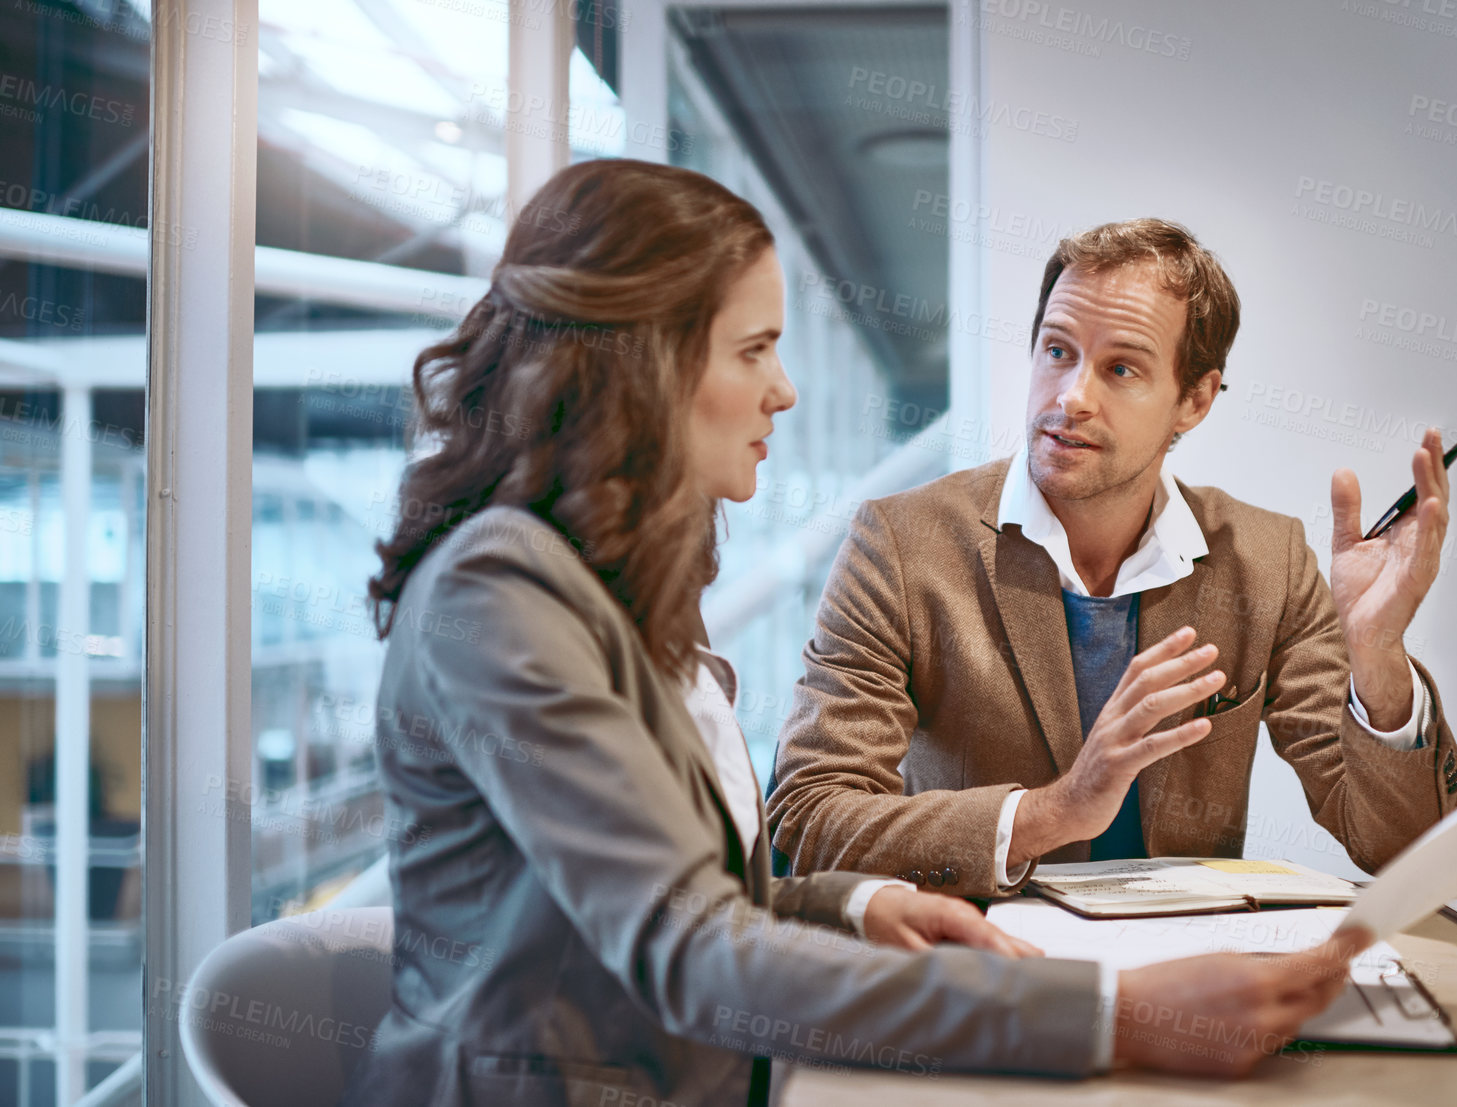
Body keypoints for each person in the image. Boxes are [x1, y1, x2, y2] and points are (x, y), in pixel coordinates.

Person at [339, 163, 1369, 1106]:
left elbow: (691, 895)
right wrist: (1119, 1014)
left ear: (1196, 399)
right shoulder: (500, 597)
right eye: (755, 350)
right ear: (640, 367)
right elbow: (691, 949)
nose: (784, 388)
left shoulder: (594, 587)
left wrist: (853, 909)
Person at [767, 219, 1457, 896]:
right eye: (1056, 351)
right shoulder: (901, 542)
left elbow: (1399, 848)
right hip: (982, 981)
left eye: (1120, 368)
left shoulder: (1264, 560)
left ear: (1193, 399)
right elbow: (808, 813)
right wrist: (1055, 810)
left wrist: (1377, 656)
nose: (1070, 397)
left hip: (1187, 994)